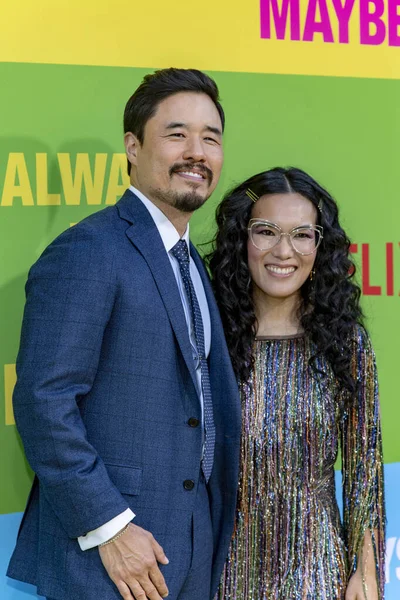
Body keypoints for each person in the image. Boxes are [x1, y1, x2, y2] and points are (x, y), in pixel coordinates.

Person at [7, 68, 241, 600]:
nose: (197, 152)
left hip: (192, 548)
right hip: (111, 556)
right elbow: (44, 400)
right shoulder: (89, 250)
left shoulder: (191, 263)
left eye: (211, 137)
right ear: (133, 147)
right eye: (177, 134)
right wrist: (109, 527)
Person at [208, 167, 385, 600]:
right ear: (240, 239)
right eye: (266, 231)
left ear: (320, 245)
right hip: (220, 575)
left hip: (317, 575)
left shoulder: (345, 343)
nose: (284, 250)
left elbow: (365, 470)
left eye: (303, 234)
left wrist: (366, 575)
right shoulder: (207, 338)